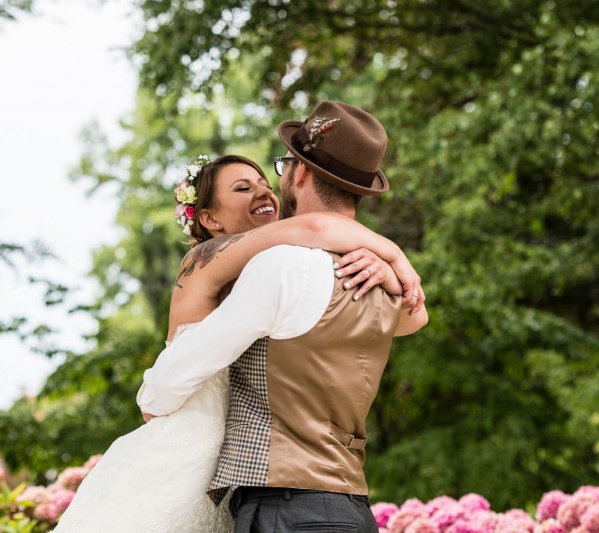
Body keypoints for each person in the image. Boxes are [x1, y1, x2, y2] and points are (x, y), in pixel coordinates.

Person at [55, 149, 423, 531]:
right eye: (243, 188)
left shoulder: (288, 269)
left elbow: (410, 316)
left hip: (243, 478)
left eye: (265, 184)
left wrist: (383, 271)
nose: (263, 193)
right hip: (192, 449)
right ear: (209, 218)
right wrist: (395, 257)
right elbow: (314, 228)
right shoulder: (208, 257)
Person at [137, 101, 428, 533]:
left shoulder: (280, 266)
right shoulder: (382, 282)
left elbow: (181, 370)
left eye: (282, 166)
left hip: (287, 508)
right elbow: (415, 319)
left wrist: (152, 397)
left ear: (302, 172)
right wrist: (393, 263)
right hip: (352, 508)